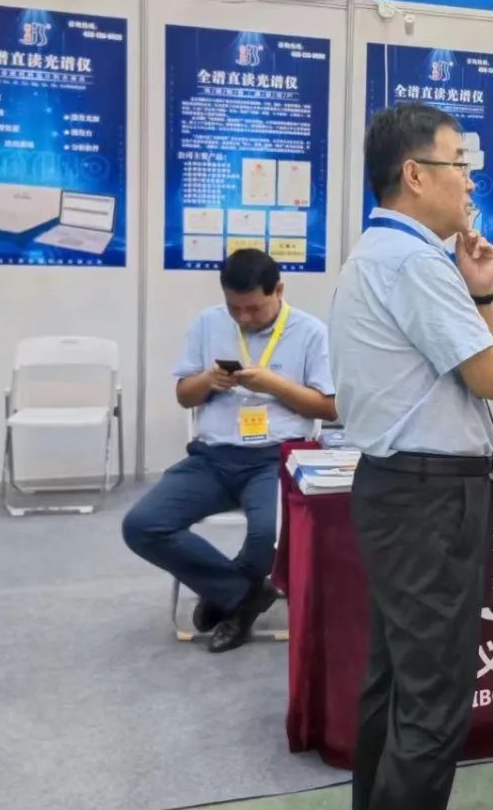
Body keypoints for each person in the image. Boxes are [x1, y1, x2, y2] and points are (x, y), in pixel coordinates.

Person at [330, 102, 493, 810]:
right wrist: (479, 296)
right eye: (458, 163)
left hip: (401, 489)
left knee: (396, 686)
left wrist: (475, 287)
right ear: (415, 174)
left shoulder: (385, 254)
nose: (468, 180)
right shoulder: (411, 261)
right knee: (433, 706)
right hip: (429, 497)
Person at [122, 248, 336, 654]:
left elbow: (328, 408)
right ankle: (241, 595)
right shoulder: (208, 323)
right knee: (142, 524)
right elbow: (185, 396)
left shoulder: (311, 333)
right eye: (234, 308)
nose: (243, 318)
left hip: (278, 456)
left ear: (279, 290)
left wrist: (273, 384)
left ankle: (228, 596)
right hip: (212, 457)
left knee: (269, 532)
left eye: (253, 308)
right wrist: (206, 381)